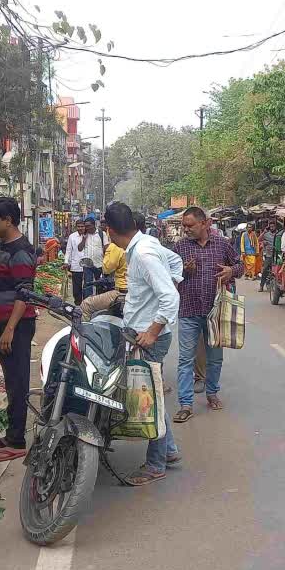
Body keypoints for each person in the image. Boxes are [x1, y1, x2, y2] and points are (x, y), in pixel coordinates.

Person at [104, 202, 181, 486]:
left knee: (147, 400)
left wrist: (153, 328)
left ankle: (155, 463)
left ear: (109, 230)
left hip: (150, 338)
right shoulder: (147, 245)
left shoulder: (145, 253)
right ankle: (169, 451)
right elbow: (175, 263)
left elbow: (171, 297)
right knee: (153, 397)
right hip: (141, 333)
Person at [174, 206, 242, 422]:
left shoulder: (222, 244)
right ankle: (186, 404)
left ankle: (212, 393)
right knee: (186, 359)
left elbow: (240, 265)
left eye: (190, 225)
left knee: (215, 358)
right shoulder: (180, 247)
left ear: (205, 224)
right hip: (189, 310)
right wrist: (185, 271)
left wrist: (231, 271)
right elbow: (170, 276)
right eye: (184, 226)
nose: (186, 229)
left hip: (216, 311)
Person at [0, 197, 37, 458]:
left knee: (17, 382)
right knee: (10, 381)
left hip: (16, 324)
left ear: (9, 220)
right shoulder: (5, 248)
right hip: (4, 322)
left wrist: (10, 328)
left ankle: (17, 442)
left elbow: (24, 294)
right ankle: (12, 434)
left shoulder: (20, 251)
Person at [80, 219, 129, 320]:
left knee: (86, 305)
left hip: (121, 291)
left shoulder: (115, 246)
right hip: (137, 292)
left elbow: (107, 269)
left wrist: (108, 253)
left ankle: (84, 334)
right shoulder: (143, 245)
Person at [64, 220, 86, 305]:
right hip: (76, 266)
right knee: (76, 288)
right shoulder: (72, 237)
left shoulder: (88, 236)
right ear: (76, 227)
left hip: (87, 266)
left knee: (87, 287)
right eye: (79, 226)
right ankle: (77, 304)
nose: (80, 228)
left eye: (82, 226)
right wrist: (66, 262)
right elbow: (68, 250)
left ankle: (86, 304)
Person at [258, 221, 277, 292]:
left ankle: (271, 285)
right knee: (265, 269)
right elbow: (258, 239)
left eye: (273, 227)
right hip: (268, 255)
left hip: (276, 255)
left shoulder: (278, 234)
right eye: (271, 227)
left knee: (275, 271)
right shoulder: (266, 234)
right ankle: (261, 285)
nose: (272, 228)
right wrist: (264, 232)